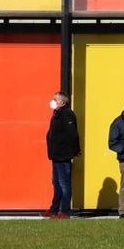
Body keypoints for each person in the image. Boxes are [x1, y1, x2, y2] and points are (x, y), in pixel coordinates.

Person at [44, 92, 80, 220]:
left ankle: (65, 211)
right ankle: (54, 209)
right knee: (56, 183)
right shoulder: (56, 114)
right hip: (56, 154)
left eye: (55, 99)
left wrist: (76, 150)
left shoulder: (67, 114)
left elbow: (73, 134)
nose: (53, 101)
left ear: (63, 102)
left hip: (63, 154)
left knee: (64, 183)